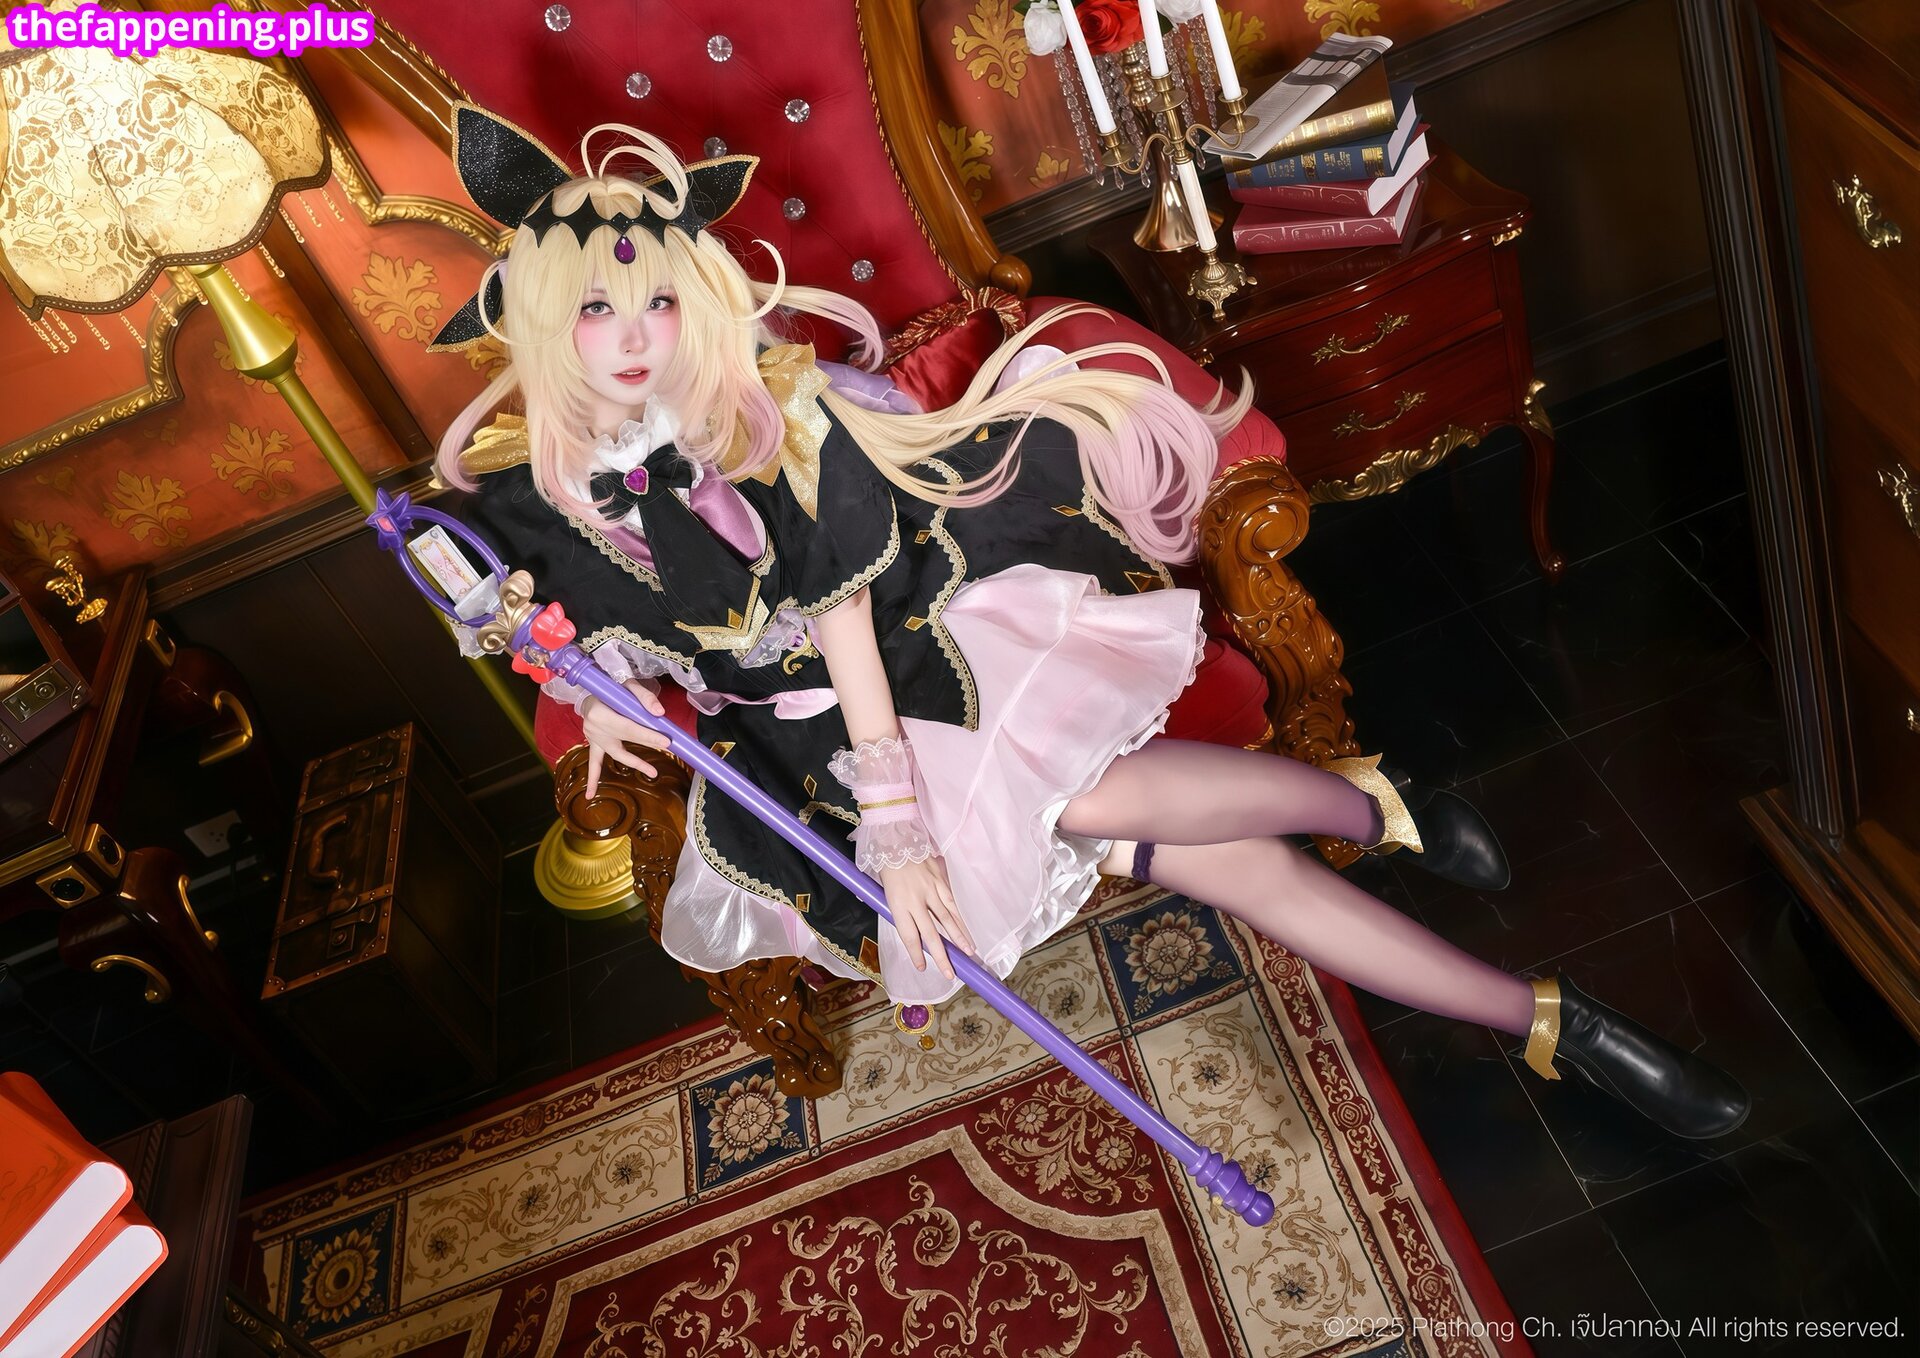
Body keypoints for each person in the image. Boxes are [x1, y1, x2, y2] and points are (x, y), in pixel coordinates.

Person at [433, 108, 1749, 1141]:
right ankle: (1532, 998)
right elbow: (553, 618)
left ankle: (1382, 824)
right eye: (595, 308)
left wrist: (901, 830)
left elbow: (841, 620)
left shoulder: (771, 418)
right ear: (540, 316)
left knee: (1101, 804)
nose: (632, 335)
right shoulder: (530, 492)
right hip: (791, 763)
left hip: (915, 672)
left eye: (656, 298)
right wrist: (591, 687)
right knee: (1237, 868)